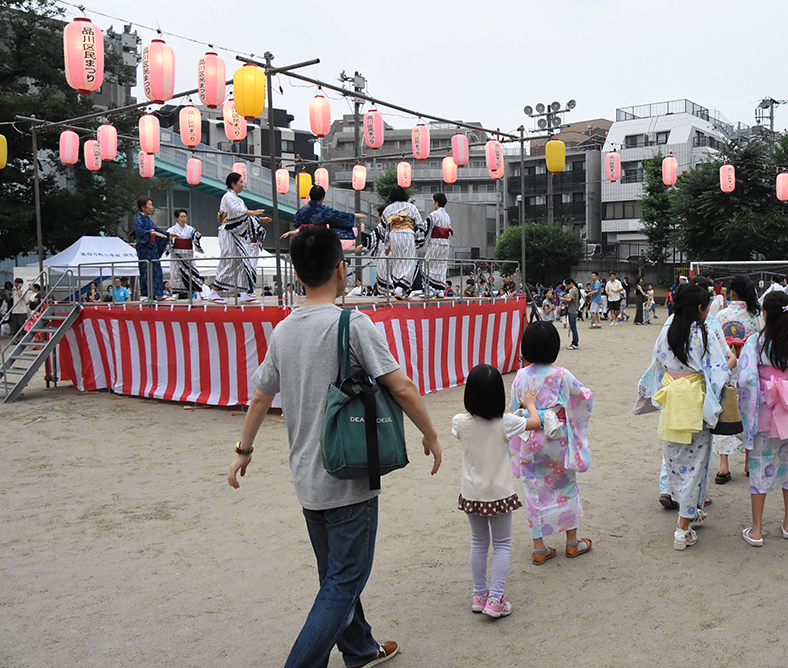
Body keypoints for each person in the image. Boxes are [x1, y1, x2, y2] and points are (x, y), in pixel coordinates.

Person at [227, 225, 442, 666]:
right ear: (340, 270)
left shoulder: (284, 329)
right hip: (349, 476)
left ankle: (360, 648)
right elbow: (399, 386)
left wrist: (242, 451)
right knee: (344, 581)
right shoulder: (352, 322)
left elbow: (260, 396)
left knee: (336, 576)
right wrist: (431, 433)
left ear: (298, 273)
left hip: (307, 479)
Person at [636, 283, 735, 550]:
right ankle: (682, 527)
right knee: (696, 464)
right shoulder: (703, 332)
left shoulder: (667, 328)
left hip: (672, 399)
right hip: (696, 401)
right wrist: (730, 367)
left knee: (675, 459)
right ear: (701, 308)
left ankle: (690, 510)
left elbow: (656, 363)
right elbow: (717, 372)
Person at [454, 364, 540, 618]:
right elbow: (534, 422)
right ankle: (496, 598)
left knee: (478, 543)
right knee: (502, 545)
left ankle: (479, 594)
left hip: (472, 493)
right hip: (499, 494)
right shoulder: (507, 423)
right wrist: (530, 403)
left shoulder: (459, 422)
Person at [508, 322, 594, 564]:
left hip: (530, 439)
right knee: (566, 487)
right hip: (556, 440)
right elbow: (581, 397)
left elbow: (515, 408)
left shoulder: (521, 376)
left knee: (534, 491)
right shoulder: (561, 375)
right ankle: (572, 543)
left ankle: (539, 548)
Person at [736, 290, 788, 546]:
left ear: (765, 314)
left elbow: (746, 378)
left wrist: (755, 398)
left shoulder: (756, 343)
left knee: (759, 464)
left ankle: (757, 529)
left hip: (765, 409)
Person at [713, 275, 762, 484]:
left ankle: (724, 465)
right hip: (749, 371)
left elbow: (715, 342)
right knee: (749, 415)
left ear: (731, 293)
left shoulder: (722, 315)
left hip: (727, 370)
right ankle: (749, 461)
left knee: (724, 415)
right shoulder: (755, 316)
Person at [203, 173, 271, 304]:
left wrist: (259, 218)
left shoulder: (237, 199)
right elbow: (237, 211)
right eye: (241, 182)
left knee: (242, 262)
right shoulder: (228, 196)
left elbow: (241, 216)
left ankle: (244, 292)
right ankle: (214, 291)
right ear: (233, 184)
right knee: (229, 262)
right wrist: (253, 212)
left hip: (237, 234)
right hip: (228, 233)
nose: (243, 184)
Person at [378, 186, 426, 298]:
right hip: (408, 235)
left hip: (394, 236)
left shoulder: (388, 209)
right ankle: (400, 289)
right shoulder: (411, 207)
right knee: (411, 263)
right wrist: (419, 240)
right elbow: (420, 225)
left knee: (397, 263)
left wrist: (387, 245)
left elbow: (384, 229)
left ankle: (399, 289)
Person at [283, 185, 365, 240]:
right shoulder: (325, 210)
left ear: (310, 196)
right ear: (322, 197)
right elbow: (338, 216)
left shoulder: (301, 211)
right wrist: (354, 215)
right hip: (320, 239)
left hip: (304, 240)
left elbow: (297, 223)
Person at [133, 196, 169, 302]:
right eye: (150, 205)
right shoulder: (139, 219)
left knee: (156, 270)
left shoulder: (147, 219)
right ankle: (144, 294)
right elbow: (140, 231)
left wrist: (168, 234)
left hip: (152, 249)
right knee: (145, 270)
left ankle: (158, 293)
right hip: (144, 248)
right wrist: (152, 233)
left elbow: (157, 230)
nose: (152, 208)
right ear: (143, 207)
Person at [166, 209, 204, 299]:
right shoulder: (172, 229)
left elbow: (195, 235)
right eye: (181, 217)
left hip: (188, 255)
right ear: (177, 218)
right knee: (176, 274)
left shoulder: (190, 229)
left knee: (193, 273)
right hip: (176, 255)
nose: (184, 219)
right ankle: (175, 293)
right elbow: (167, 237)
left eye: (185, 216)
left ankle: (200, 293)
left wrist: (197, 236)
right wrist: (170, 238)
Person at [423, 193, 453, 298]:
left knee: (428, 265)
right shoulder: (447, 216)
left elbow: (426, 227)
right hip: (445, 244)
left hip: (435, 242)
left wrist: (421, 241)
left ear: (436, 202)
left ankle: (430, 290)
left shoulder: (434, 214)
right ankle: (440, 290)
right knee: (441, 266)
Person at [560, 278, 581, 350]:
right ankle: (575, 342)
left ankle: (575, 343)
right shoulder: (576, 290)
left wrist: (562, 299)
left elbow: (570, 299)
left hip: (572, 310)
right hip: (575, 310)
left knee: (573, 327)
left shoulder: (572, 290)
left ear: (570, 284)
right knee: (573, 327)